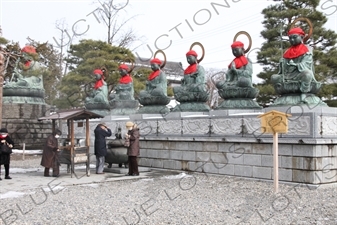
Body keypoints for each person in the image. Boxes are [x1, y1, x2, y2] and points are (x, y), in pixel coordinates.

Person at [271, 27, 317, 102]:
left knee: (307, 74)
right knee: (274, 77)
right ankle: (282, 95)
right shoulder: (287, 51)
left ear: (301, 37)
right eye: (290, 38)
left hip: (299, 74)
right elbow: (283, 68)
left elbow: (306, 63)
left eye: (294, 37)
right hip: (288, 75)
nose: (292, 40)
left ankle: (304, 93)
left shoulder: (307, 49)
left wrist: (295, 65)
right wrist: (282, 63)